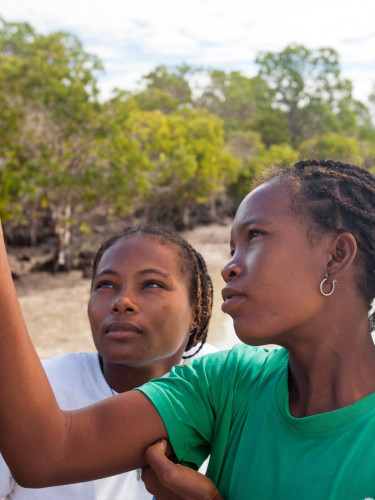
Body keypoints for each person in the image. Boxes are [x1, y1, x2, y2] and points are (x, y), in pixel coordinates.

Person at [0, 159, 374, 499]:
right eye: (231, 248)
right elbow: (48, 453)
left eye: (255, 236)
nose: (229, 267)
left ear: (336, 256)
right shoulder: (228, 382)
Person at [0, 225, 216, 499]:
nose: (122, 301)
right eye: (106, 285)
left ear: (197, 309)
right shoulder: (34, 392)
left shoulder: (228, 389)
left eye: (151, 284)